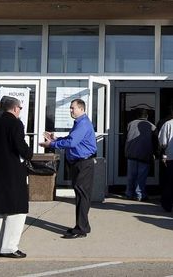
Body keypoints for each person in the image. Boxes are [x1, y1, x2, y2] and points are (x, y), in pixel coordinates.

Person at [40, 98, 97, 239]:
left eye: (73, 108)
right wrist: (56, 139)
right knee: (80, 195)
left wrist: (51, 145)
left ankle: (81, 229)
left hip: (83, 163)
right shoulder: (79, 123)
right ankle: (81, 226)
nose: (71, 110)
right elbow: (71, 139)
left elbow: (72, 142)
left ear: (82, 109)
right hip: (79, 163)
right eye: (70, 108)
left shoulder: (83, 123)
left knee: (82, 196)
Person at [0, 96, 32, 258]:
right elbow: (20, 146)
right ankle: (9, 247)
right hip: (13, 171)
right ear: (15, 108)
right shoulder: (15, 123)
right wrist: (29, 153)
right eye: (20, 108)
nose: (20, 111)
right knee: (17, 210)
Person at [124, 109, 156, 201]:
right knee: (141, 176)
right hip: (145, 154)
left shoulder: (130, 124)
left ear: (137, 116)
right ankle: (139, 194)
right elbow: (155, 141)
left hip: (131, 152)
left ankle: (129, 193)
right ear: (147, 116)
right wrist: (156, 153)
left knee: (131, 175)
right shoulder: (152, 126)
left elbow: (125, 137)